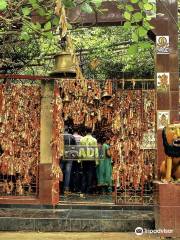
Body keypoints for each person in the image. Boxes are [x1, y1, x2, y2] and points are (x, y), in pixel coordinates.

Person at [79, 128, 98, 195]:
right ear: (91, 132)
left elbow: (80, 150)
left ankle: (83, 190)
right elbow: (96, 150)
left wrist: (79, 159)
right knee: (90, 174)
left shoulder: (82, 139)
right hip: (91, 159)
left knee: (84, 174)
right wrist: (97, 161)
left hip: (84, 159)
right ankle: (88, 190)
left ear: (85, 132)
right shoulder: (94, 140)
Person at [61, 126, 76, 195]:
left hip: (61, 155)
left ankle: (58, 187)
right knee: (68, 172)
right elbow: (75, 147)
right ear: (68, 130)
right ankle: (66, 188)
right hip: (69, 156)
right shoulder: (71, 136)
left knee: (60, 171)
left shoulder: (60, 136)